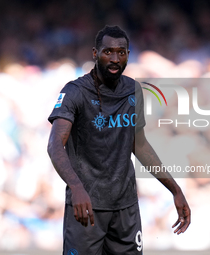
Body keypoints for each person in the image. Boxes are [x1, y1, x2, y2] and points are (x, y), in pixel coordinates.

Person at [47, 25, 191, 255]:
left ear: (127, 55)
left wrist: (175, 189)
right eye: (108, 52)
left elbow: (139, 144)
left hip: (126, 208)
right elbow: (55, 144)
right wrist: (76, 187)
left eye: (121, 52)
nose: (115, 58)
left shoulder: (133, 90)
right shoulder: (75, 92)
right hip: (87, 207)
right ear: (95, 53)